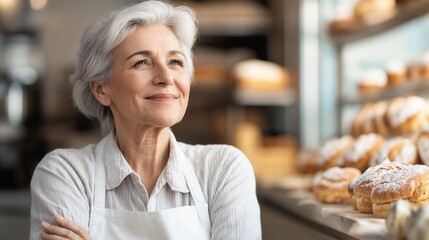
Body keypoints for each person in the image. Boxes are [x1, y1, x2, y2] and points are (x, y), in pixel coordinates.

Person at [29, 0, 261, 239]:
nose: (166, 77)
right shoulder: (65, 174)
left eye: (175, 62)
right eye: (142, 62)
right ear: (101, 89)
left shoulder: (223, 170)